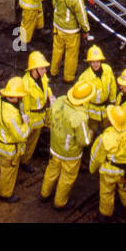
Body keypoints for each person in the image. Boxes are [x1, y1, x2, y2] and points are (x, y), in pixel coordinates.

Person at [40, 79, 94, 208]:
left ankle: (44, 194)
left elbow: (51, 119)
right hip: (70, 154)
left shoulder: (59, 101)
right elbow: (84, 141)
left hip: (55, 147)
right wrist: (90, 132)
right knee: (67, 177)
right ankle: (60, 202)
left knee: (52, 170)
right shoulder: (79, 116)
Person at [90, 104, 126, 220]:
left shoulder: (105, 138)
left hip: (109, 174)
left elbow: (96, 157)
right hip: (125, 171)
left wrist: (92, 169)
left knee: (107, 193)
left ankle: (105, 216)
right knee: (125, 188)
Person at [0, 76, 31, 201]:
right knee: (8, 171)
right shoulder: (11, 115)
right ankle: (5, 194)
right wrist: (26, 124)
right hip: (9, 147)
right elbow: (20, 135)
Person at [50, 0, 90, 83]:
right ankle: (68, 77)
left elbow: (54, 4)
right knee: (71, 54)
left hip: (57, 26)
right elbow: (81, 15)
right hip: (71, 31)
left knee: (57, 49)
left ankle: (53, 71)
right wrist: (86, 29)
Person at [20, 51, 53, 167]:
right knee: (29, 142)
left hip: (43, 114)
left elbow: (46, 87)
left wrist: (50, 95)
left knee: (35, 141)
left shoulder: (42, 77)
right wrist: (29, 126)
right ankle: (23, 161)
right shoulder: (26, 85)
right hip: (33, 120)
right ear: (34, 70)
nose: (45, 71)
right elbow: (25, 109)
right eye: (43, 69)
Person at [77, 45, 117, 131]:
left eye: (98, 62)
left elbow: (112, 85)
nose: (96, 64)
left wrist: (113, 101)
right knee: (92, 129)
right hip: (92, 111)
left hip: (106, 107)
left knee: (106, 128)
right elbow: (84, 99)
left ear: (101, 61)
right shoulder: (85, 77)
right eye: (93, 62)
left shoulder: (107, 70)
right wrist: (85, 114)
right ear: (89, 63)